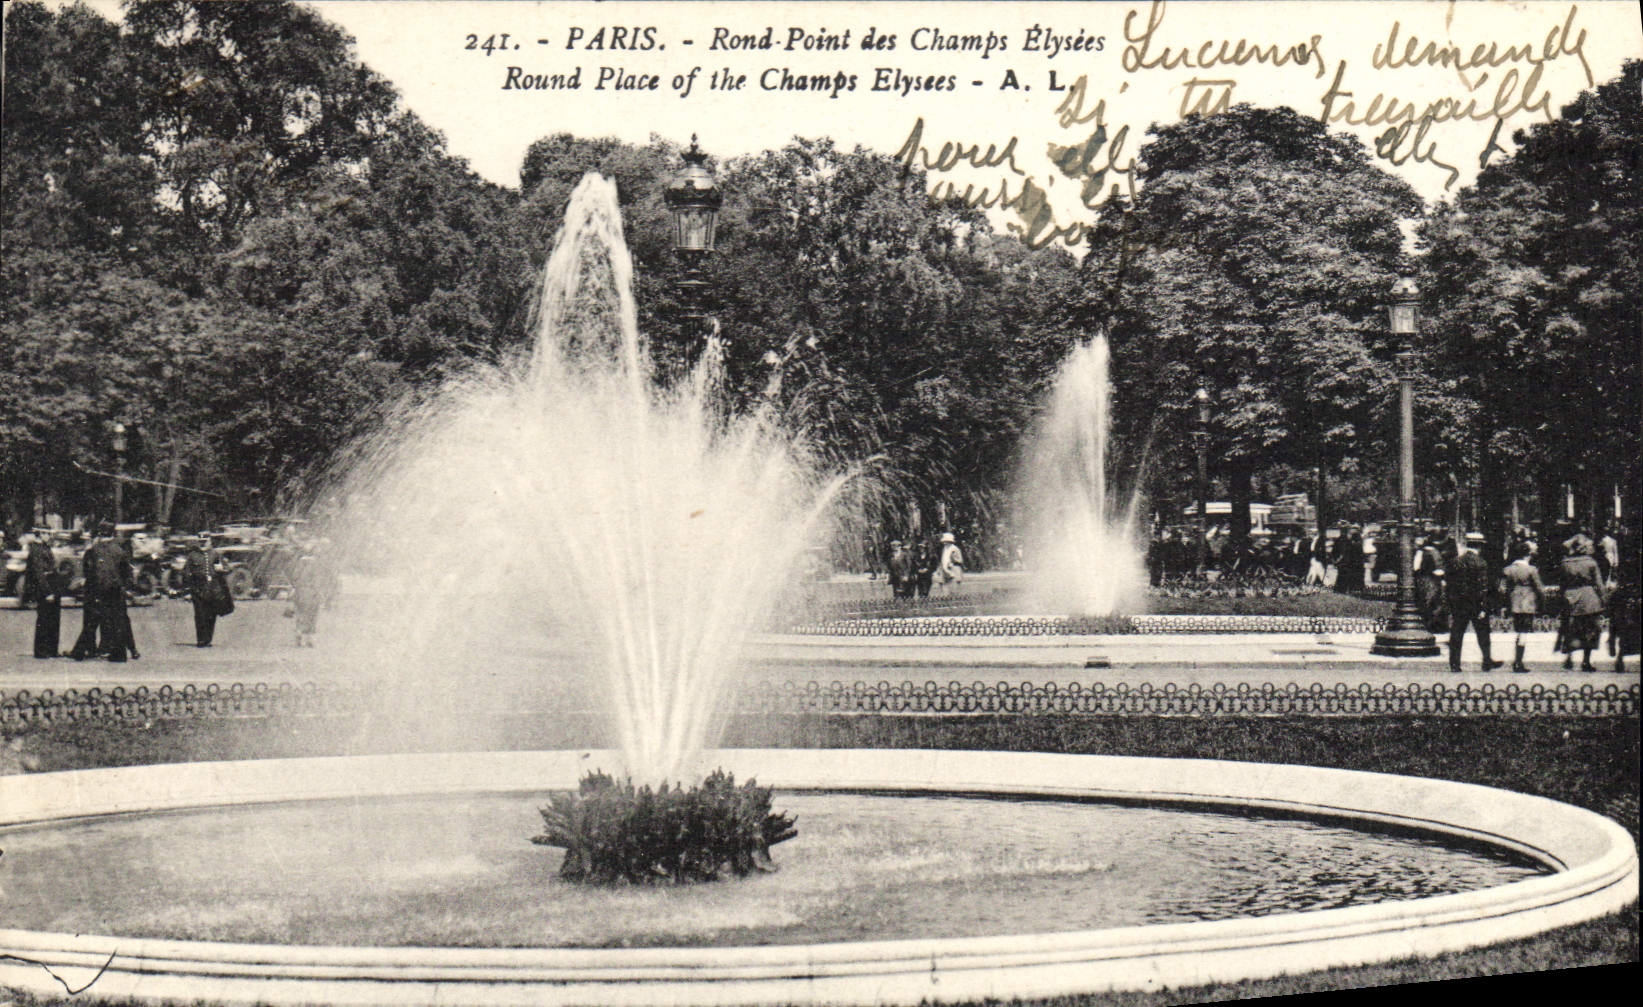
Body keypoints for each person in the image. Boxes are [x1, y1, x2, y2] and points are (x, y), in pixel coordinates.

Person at [1443, 536, 1502, 672]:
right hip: (1475, 604)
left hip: (1459, 604)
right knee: (1483, 633)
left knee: (1457, 632)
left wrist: (1452, 603)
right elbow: (1483, 587)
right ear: (1479, 546)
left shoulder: (1455, 562)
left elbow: (1449, 585)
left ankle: (1454, 664)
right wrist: (1483, 606)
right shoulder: (1480, 562)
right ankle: (1486, 661)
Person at [1558, 535, 1608, 672]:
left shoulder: (1564, 563)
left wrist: (1563, 597)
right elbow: (1599, 583)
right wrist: (1604, 599)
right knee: (1590, 629)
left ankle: (1569, 657)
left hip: (1570, 596)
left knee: (1571, 627)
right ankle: (1586, 661)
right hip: (1588, 597)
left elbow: (1562, 583)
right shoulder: (1591, 563)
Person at [1499, 543, 1547, 672]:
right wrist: (1542, 602)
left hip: (1514, 602)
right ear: (1528, 555)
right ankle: (1518, 662)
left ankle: (1517, 660)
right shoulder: (1531, 570)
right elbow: (1540, 588)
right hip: (1528, 602)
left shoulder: (1508, 569)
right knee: (1524, 632)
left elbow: (1502, 588)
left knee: (1519, 631)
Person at [26, 536, 63, 658]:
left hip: (52, 587)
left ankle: (51, 650)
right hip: (46, 589)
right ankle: (42, 651)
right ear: (41, 534)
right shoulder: (37, 550)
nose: (50, 536)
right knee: (44, 620)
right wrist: (47, 592)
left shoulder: (44, 547)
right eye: (47, 533)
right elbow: (39, 574)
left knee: (53, 620)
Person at [183, 537, 221, 647]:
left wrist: (221, 569)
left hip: (212, 589)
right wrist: (188, 589)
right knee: (200, 615)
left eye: (206, 542)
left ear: (210, 542)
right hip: (198, 589)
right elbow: (186, 572)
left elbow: (224, 569)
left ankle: (208, 639)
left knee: (211, 615)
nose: (203, 544)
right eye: (201, 542)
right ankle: (201, 640)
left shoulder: (215, 554)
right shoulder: (192, 555)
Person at [1609, 557, 1638, 673]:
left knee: (1618, 623)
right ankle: (1618, 653)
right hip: (1631, 593)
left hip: (1623, 594)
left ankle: (1615, 648)